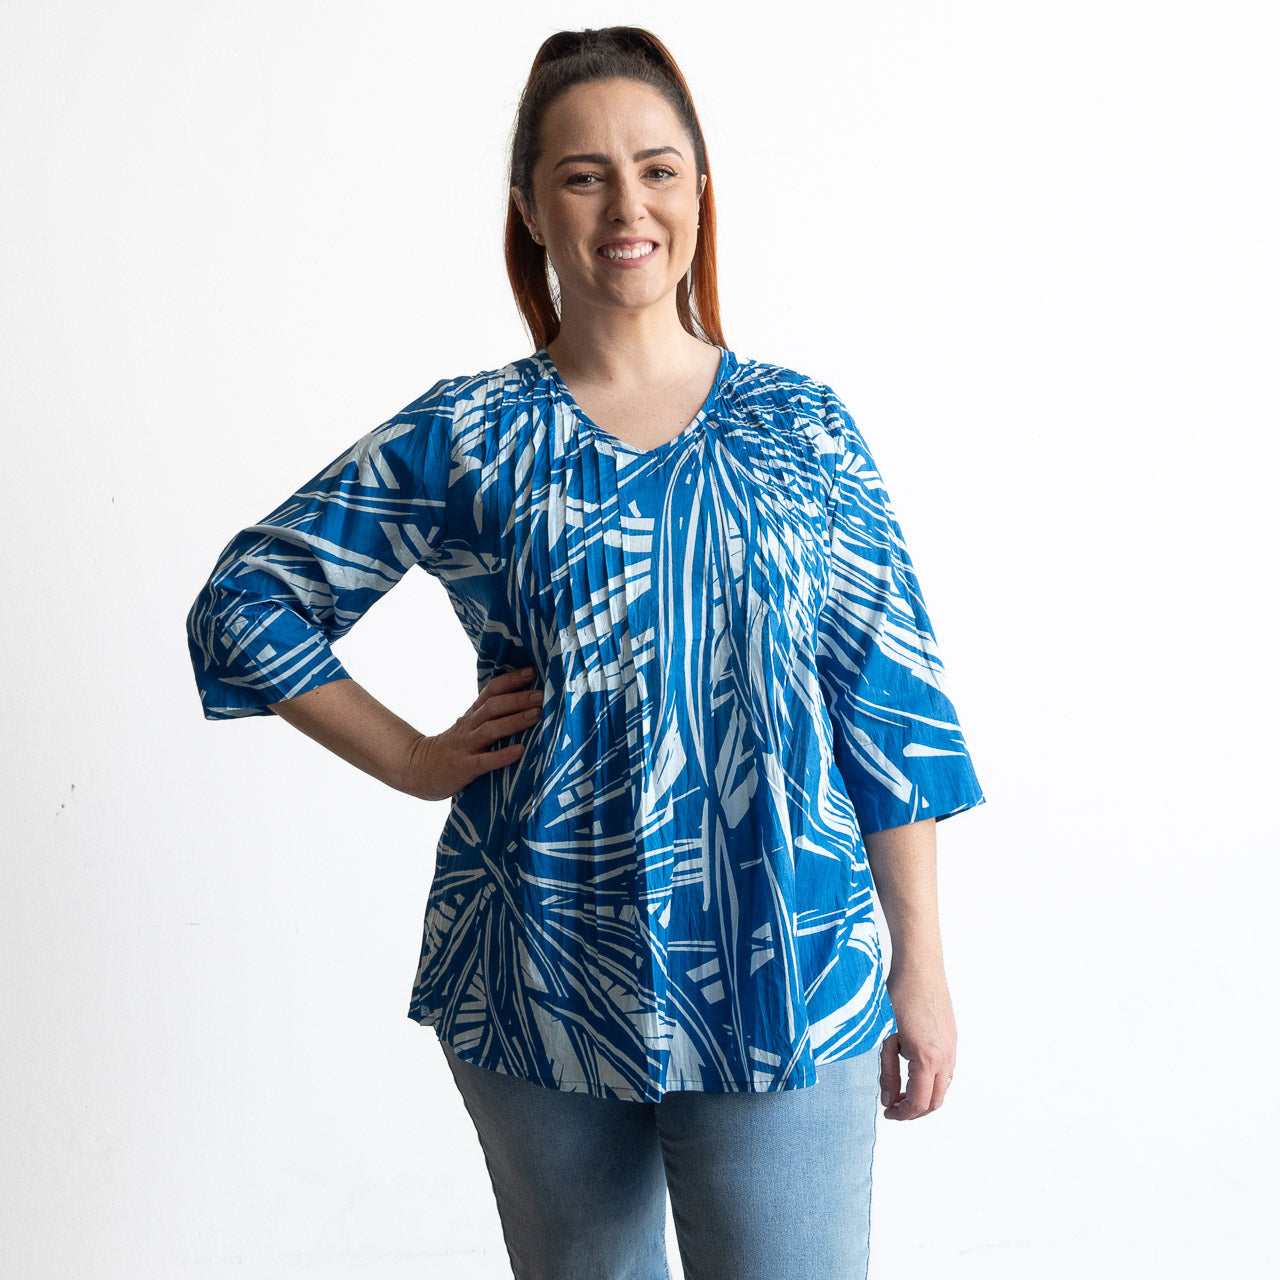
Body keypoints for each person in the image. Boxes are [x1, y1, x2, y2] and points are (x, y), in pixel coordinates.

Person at [186, 25, 985, 1280]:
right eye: (583, 174)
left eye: (658, 169)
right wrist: (409, 755)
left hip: (786, 961)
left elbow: (890, 709)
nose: (627, 204)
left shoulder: (802, 427)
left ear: (699, 193)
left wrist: (921, 968)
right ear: (529, 208)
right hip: (536, 966)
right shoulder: (470, 432)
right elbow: (249, 599)